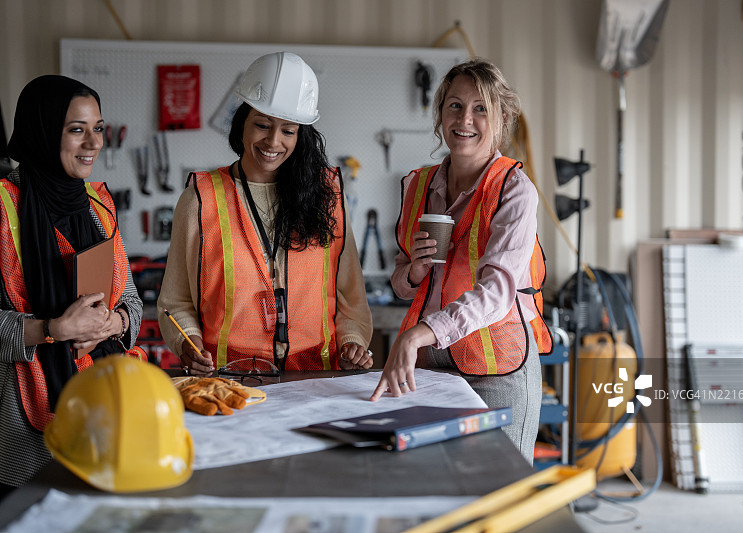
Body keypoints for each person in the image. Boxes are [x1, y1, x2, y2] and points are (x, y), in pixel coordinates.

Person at [370, 59, 553, 464]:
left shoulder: (515, 189)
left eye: (480, 108)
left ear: (502, 118)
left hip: (496, 368)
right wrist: (414, 271)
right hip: (431, 365)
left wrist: (419, 333)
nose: (464, 119)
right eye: (454, 106)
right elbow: (401, 280)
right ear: (439, 114)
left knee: (498, 497)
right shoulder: (418, 185)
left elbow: (498, 292)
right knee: (434, 486)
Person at [158, 52, 372, 375]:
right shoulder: (200, 200)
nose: (274, 141)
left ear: (302, 135)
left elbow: (351, 295)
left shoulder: (326, 196)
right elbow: (175, 302)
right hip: (230, 380)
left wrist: (352, 342)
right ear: (241, 123)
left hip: (315, 379)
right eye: (262, 125)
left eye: (289, 130)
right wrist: (188, 342)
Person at [0, 75, 144, 494]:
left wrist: (113, 324)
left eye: (98, 128)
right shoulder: (4, 208)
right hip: (25, 436)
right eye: (76, 130)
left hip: (107, 415)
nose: (94, 143)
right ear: (42, 131)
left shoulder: (98, 204)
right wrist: (51, 330)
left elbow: (131, 299)